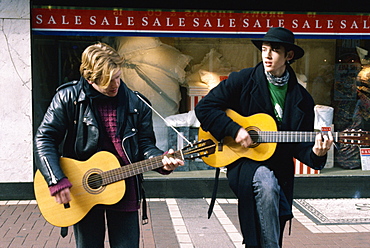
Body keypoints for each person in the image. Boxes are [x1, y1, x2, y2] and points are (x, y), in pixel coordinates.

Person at [34, 42, 184, 248]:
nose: (116, 85)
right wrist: (56, 179)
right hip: (82, 188)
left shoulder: (137, 104)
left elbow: (145, 145)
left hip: (125, 184)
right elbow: (44, 138)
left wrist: (161, 161)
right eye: (108, 81)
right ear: (90, 79)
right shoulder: (68, 97)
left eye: (118, 77)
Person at [195, 27, 334, 247]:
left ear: (289, 56)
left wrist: (317, 153)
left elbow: (301, 146)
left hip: (279, 167)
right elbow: (205, 108)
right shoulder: (243, 80)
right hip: (243, 161)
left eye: (275, 50)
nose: (267, 55)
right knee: (266, 184)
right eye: (264, 49)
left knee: (273, 195)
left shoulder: (302, 99)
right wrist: (235, 130)